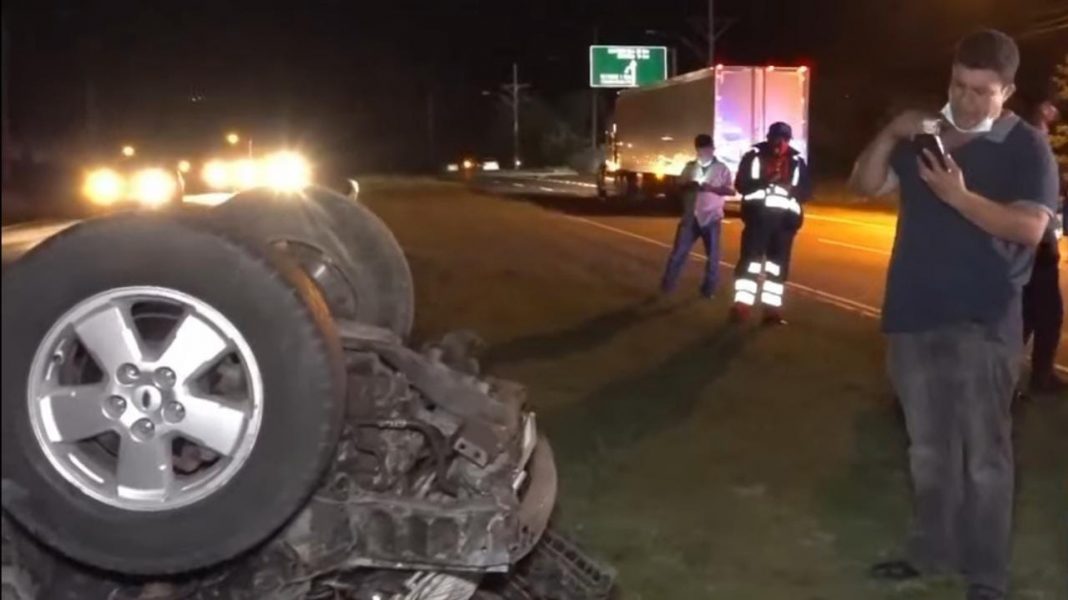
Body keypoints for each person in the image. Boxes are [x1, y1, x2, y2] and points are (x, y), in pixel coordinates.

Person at [849, 30, 1059, 600]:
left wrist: (959, 198)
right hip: (913, 317)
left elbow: (1031, 229)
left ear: (1007, 91)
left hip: (982, 324)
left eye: (982, 91)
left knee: (985, 459)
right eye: (959, 86)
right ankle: (931, 550)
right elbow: (865, 184)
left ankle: (986, 577)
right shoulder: (927, 137)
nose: (966, 101)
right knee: (927, 450)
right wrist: (894, 129)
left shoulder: (1026, 147)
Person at [730, 122, 812, 324]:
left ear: (789, 141)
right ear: (768, 138)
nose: (780, 143)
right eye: (776, 138)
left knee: (777, 267)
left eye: (784, 139)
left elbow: (807, 190)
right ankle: (742, 306)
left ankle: (771, 311)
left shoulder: (797, 161)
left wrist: (792, 191)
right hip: (758, 220)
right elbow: (741, 185)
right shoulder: (754, 156)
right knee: (750, 263)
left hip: (785, 224)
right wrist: (765, 182)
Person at [1021, 99, 1065, 395]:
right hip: (1031, 253)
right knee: (1027, 319)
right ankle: (1008, 382)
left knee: (1045, 318)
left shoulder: (1044, 160)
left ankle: (1041, 376)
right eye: (1043, 120)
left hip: (1045, 252)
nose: (1047, 130)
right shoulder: (1028, 158)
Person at [660, 134, 734, 298]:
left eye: (706, 149)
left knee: (713, 257)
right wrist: (689, 185)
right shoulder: (690, 167)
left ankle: (709, 289)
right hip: (690, 217)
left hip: (712, 217)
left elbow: (731, 190)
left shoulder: (722, 168)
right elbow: (678, 186)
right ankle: (668, 285)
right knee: (678, 253)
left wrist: (712, 189)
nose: (702, 152)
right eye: (699, 149)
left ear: (712, 149)